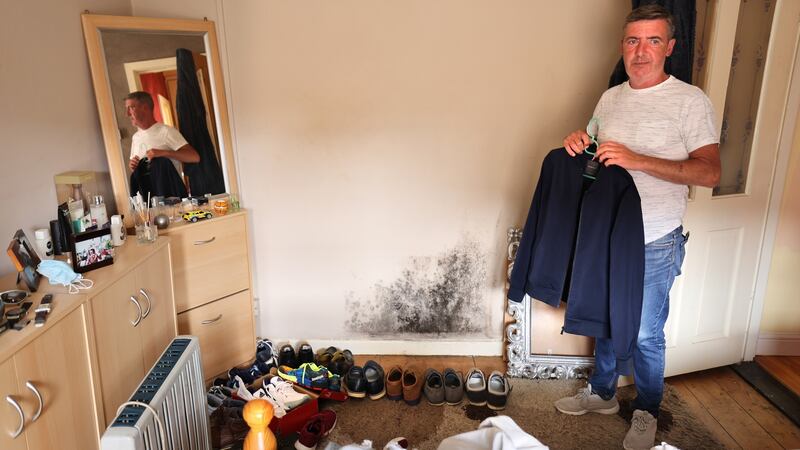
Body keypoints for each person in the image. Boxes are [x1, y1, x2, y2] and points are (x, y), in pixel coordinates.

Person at [554, 5, 721, 450]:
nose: (641, 51)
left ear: (669, 47)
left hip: (655, 239)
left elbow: (709, 173)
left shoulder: (690, 101)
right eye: (633, 41)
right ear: (622, 46)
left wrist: (637, 159)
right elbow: (595, 154)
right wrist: (579, 143)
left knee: (646, 332)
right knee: (607, 321)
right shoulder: (611, 98)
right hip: (607, 234)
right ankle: (604, 394)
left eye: (652, 41)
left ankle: (647, 408)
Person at [125, 91, 200, 198]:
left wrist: (164, 153)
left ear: (145, 107)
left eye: (131, 108)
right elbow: (141, 170)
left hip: (172, 198)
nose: (127, 114)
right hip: (149, 201)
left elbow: (194, 157)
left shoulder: (166, 131)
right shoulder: (135, 137)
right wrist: (133, 166)